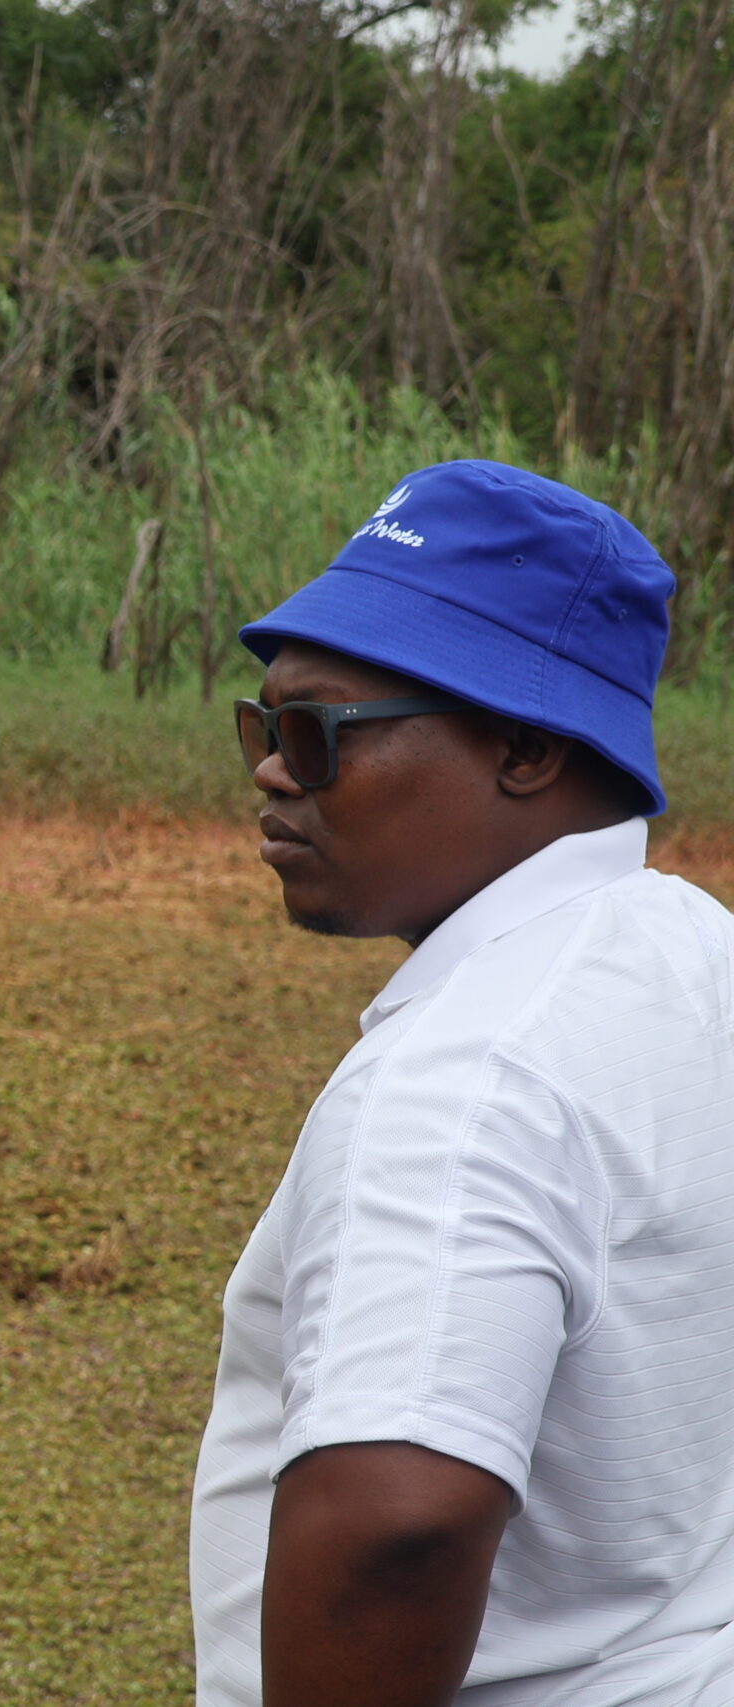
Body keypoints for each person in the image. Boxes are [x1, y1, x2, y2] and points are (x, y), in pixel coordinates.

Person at [189, 459, 734, 1707]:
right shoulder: (682, 951)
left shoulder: (464, 1081)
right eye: (261, 728)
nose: (272, 772)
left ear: (528, 749)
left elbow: (399, 1524)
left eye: (318, 733)